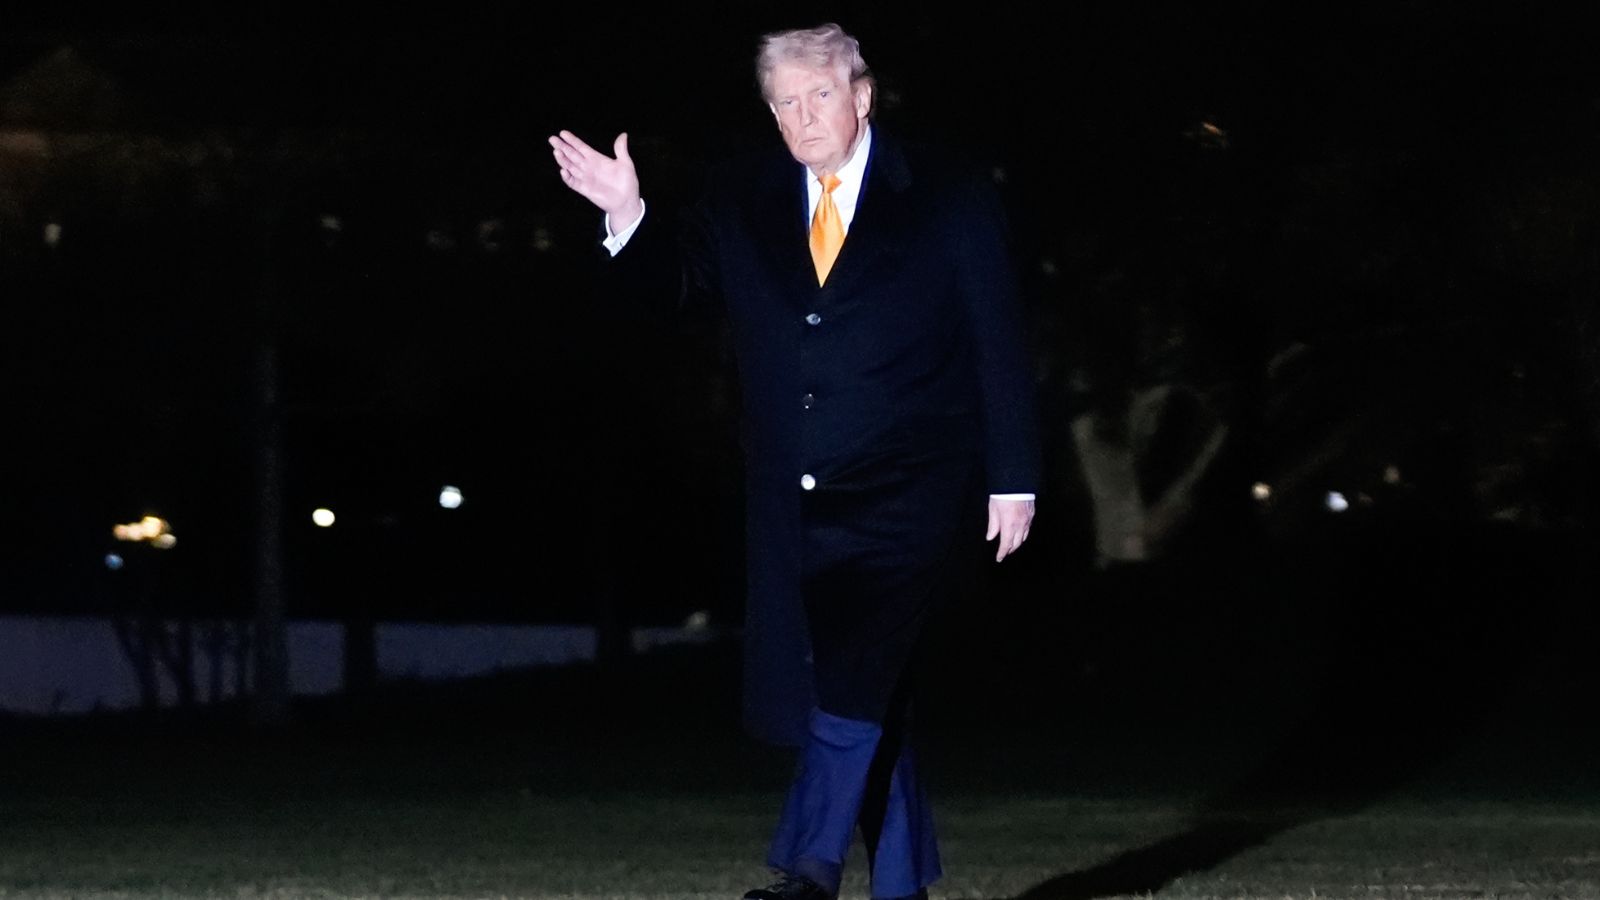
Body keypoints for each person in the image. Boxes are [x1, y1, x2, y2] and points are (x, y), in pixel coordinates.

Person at [549, 21, 1040, 900]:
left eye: (819, 97)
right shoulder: (746, 194)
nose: (803, 118)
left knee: (853, 676)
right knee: (861, 688)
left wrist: (1015, 477)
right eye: (784, 103)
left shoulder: (947, 192)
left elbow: (999, 339)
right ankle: (900, 886)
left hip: (912, 489)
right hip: (794, 498)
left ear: (861, 96)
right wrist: (626, 215)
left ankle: (809, 871)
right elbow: (682, 286)